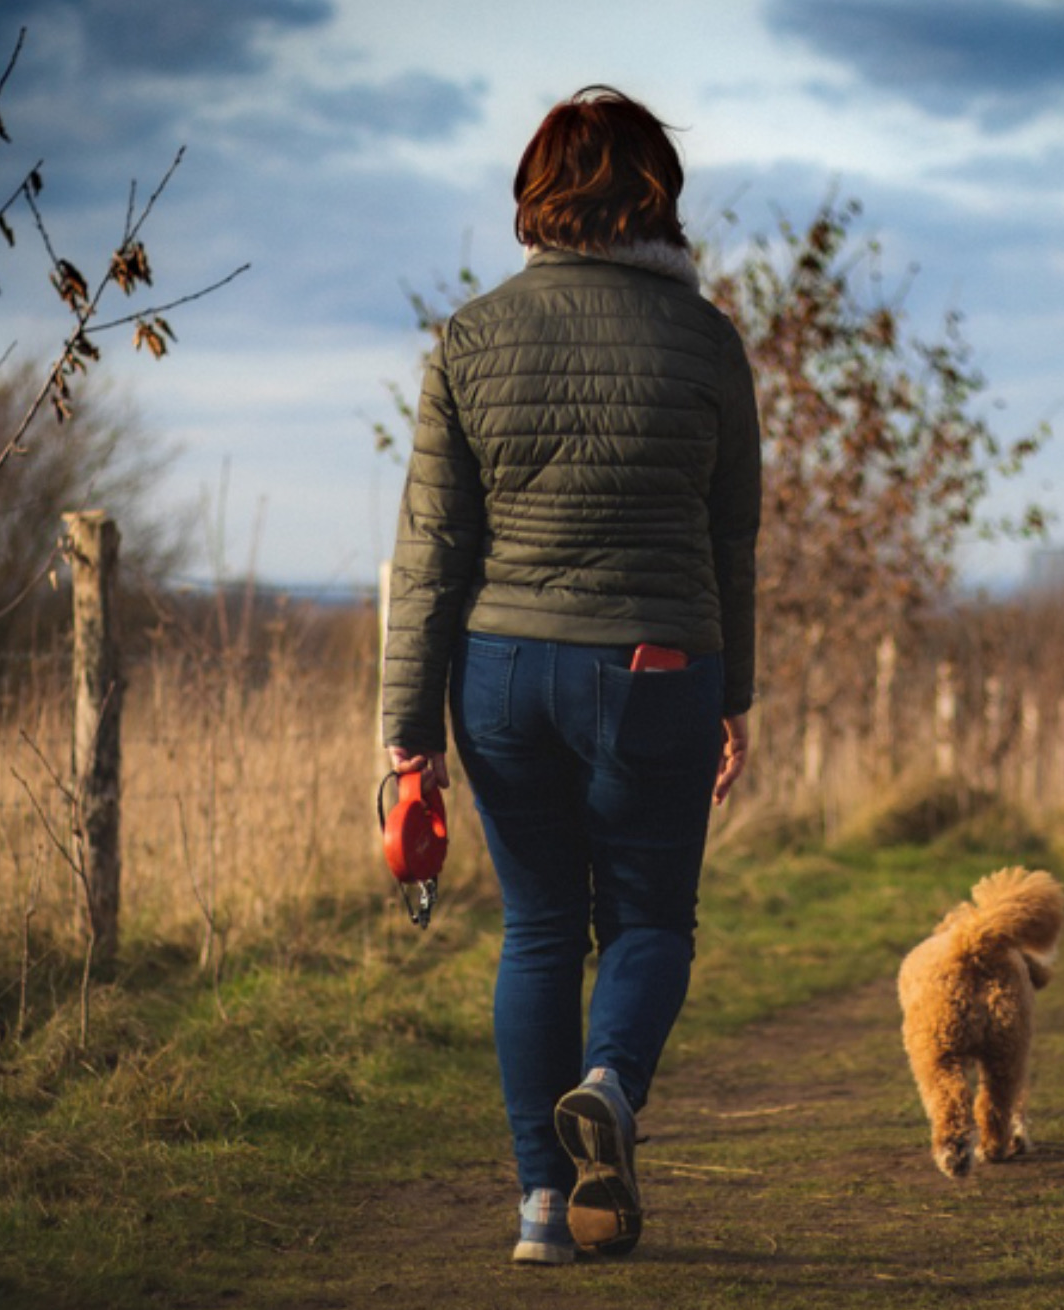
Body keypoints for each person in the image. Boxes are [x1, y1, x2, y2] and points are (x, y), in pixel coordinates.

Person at [380, 86, 760, 1265]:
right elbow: (729, 534)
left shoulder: (471, 336)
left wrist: (407, 728)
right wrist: (733, 690)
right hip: (654, 666)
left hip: (498, 675)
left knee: (538, 929)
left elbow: (430, 547)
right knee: (648, 917)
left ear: (536, 197)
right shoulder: (706, 341)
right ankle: (608, 1081)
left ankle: (544, 1205)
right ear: (658, 199)